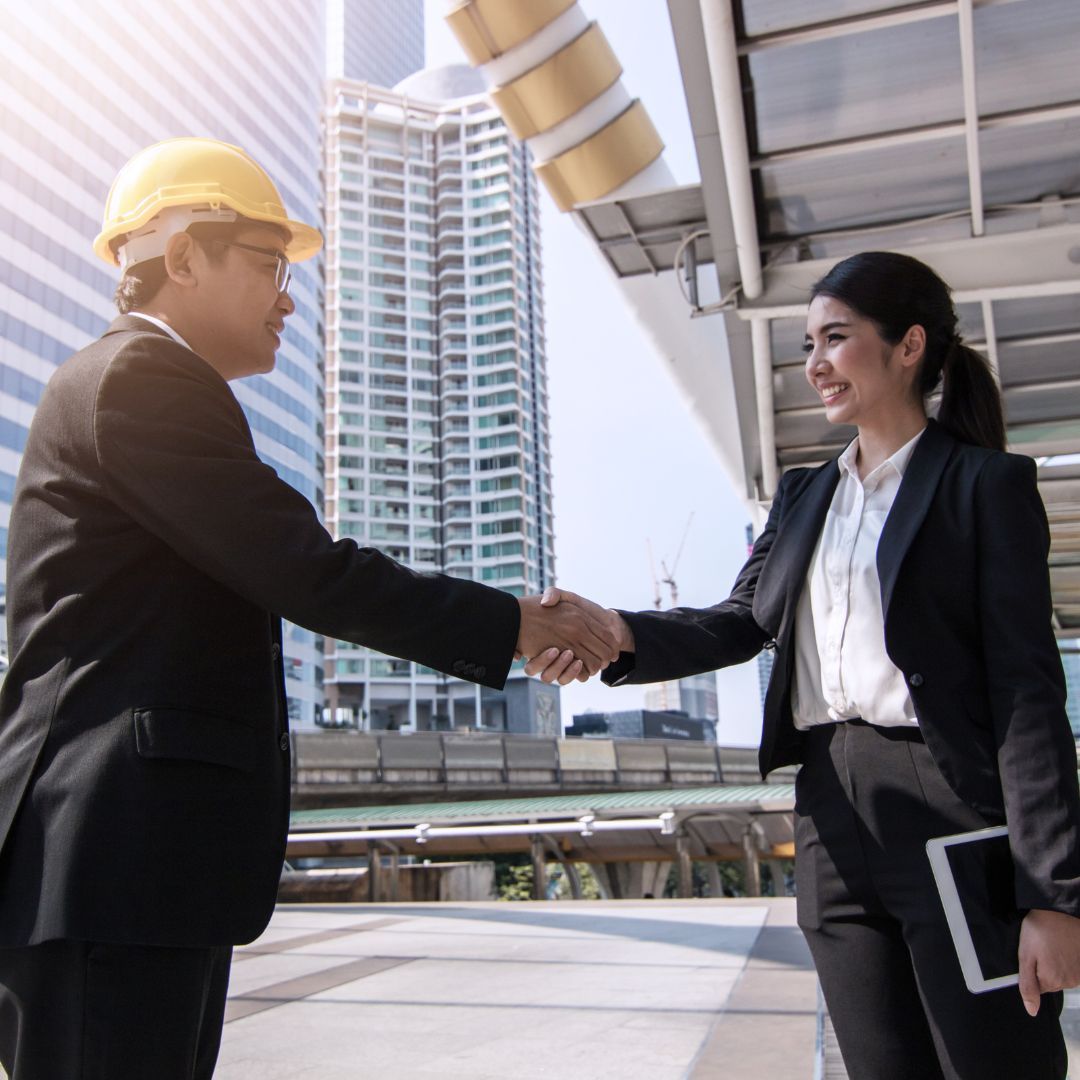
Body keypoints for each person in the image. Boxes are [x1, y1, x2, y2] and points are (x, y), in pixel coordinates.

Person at [0, 137, 618, 1080]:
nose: (289, 297)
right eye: (266, 266)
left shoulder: (150, 386)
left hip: (129, 867)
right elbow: (306, 569)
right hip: (110, 864)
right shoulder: (139, 381)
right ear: (182, 261)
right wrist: (515, 624)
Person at [528, 251, 1080, 1079]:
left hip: (950, 808)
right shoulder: (804, 495)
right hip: (830, 814)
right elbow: (738, 622)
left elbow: (1027, 694)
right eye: (806, 345)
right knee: (876, 1063)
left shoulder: (984, 485)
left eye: (835, 338)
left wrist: (1053, 896)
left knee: (994, 1062)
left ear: (909, 347)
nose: (814, 364)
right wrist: (617, 633)